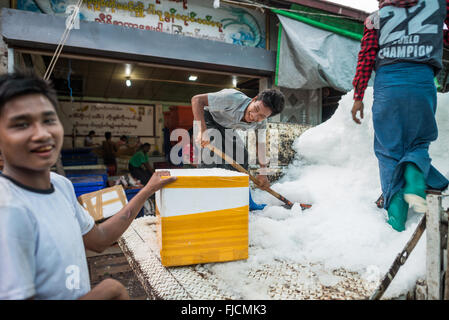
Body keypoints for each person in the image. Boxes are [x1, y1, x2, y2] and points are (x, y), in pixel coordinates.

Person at [0, 71, 176, 300]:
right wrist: (107, 291)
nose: (42, 134)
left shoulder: (60, 185)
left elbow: (99, 239)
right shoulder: (9, 210)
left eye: (48, 120)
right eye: (21, 124)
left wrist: (147, 190)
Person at [351, 0, 449, 231]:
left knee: (388, 150)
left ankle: (396, 220)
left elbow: (366, 57)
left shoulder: (376, 17)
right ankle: (415, 180)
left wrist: (358, 96)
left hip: (389, 83)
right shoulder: (439, 5)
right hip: (422, 80)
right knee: (419, 141)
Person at [191, 88, 285, 211]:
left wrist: (263, 171)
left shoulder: (261, 123)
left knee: (242, 156)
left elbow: (260, 145)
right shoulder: (232, 98)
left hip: (228, 127)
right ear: (254, 99)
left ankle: (246, 201)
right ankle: (206, 203)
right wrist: (203, 131)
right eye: (256, 109)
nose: (254, 116)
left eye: (262, 116)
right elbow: (197, 100)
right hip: (208, 119)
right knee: (212, 158)